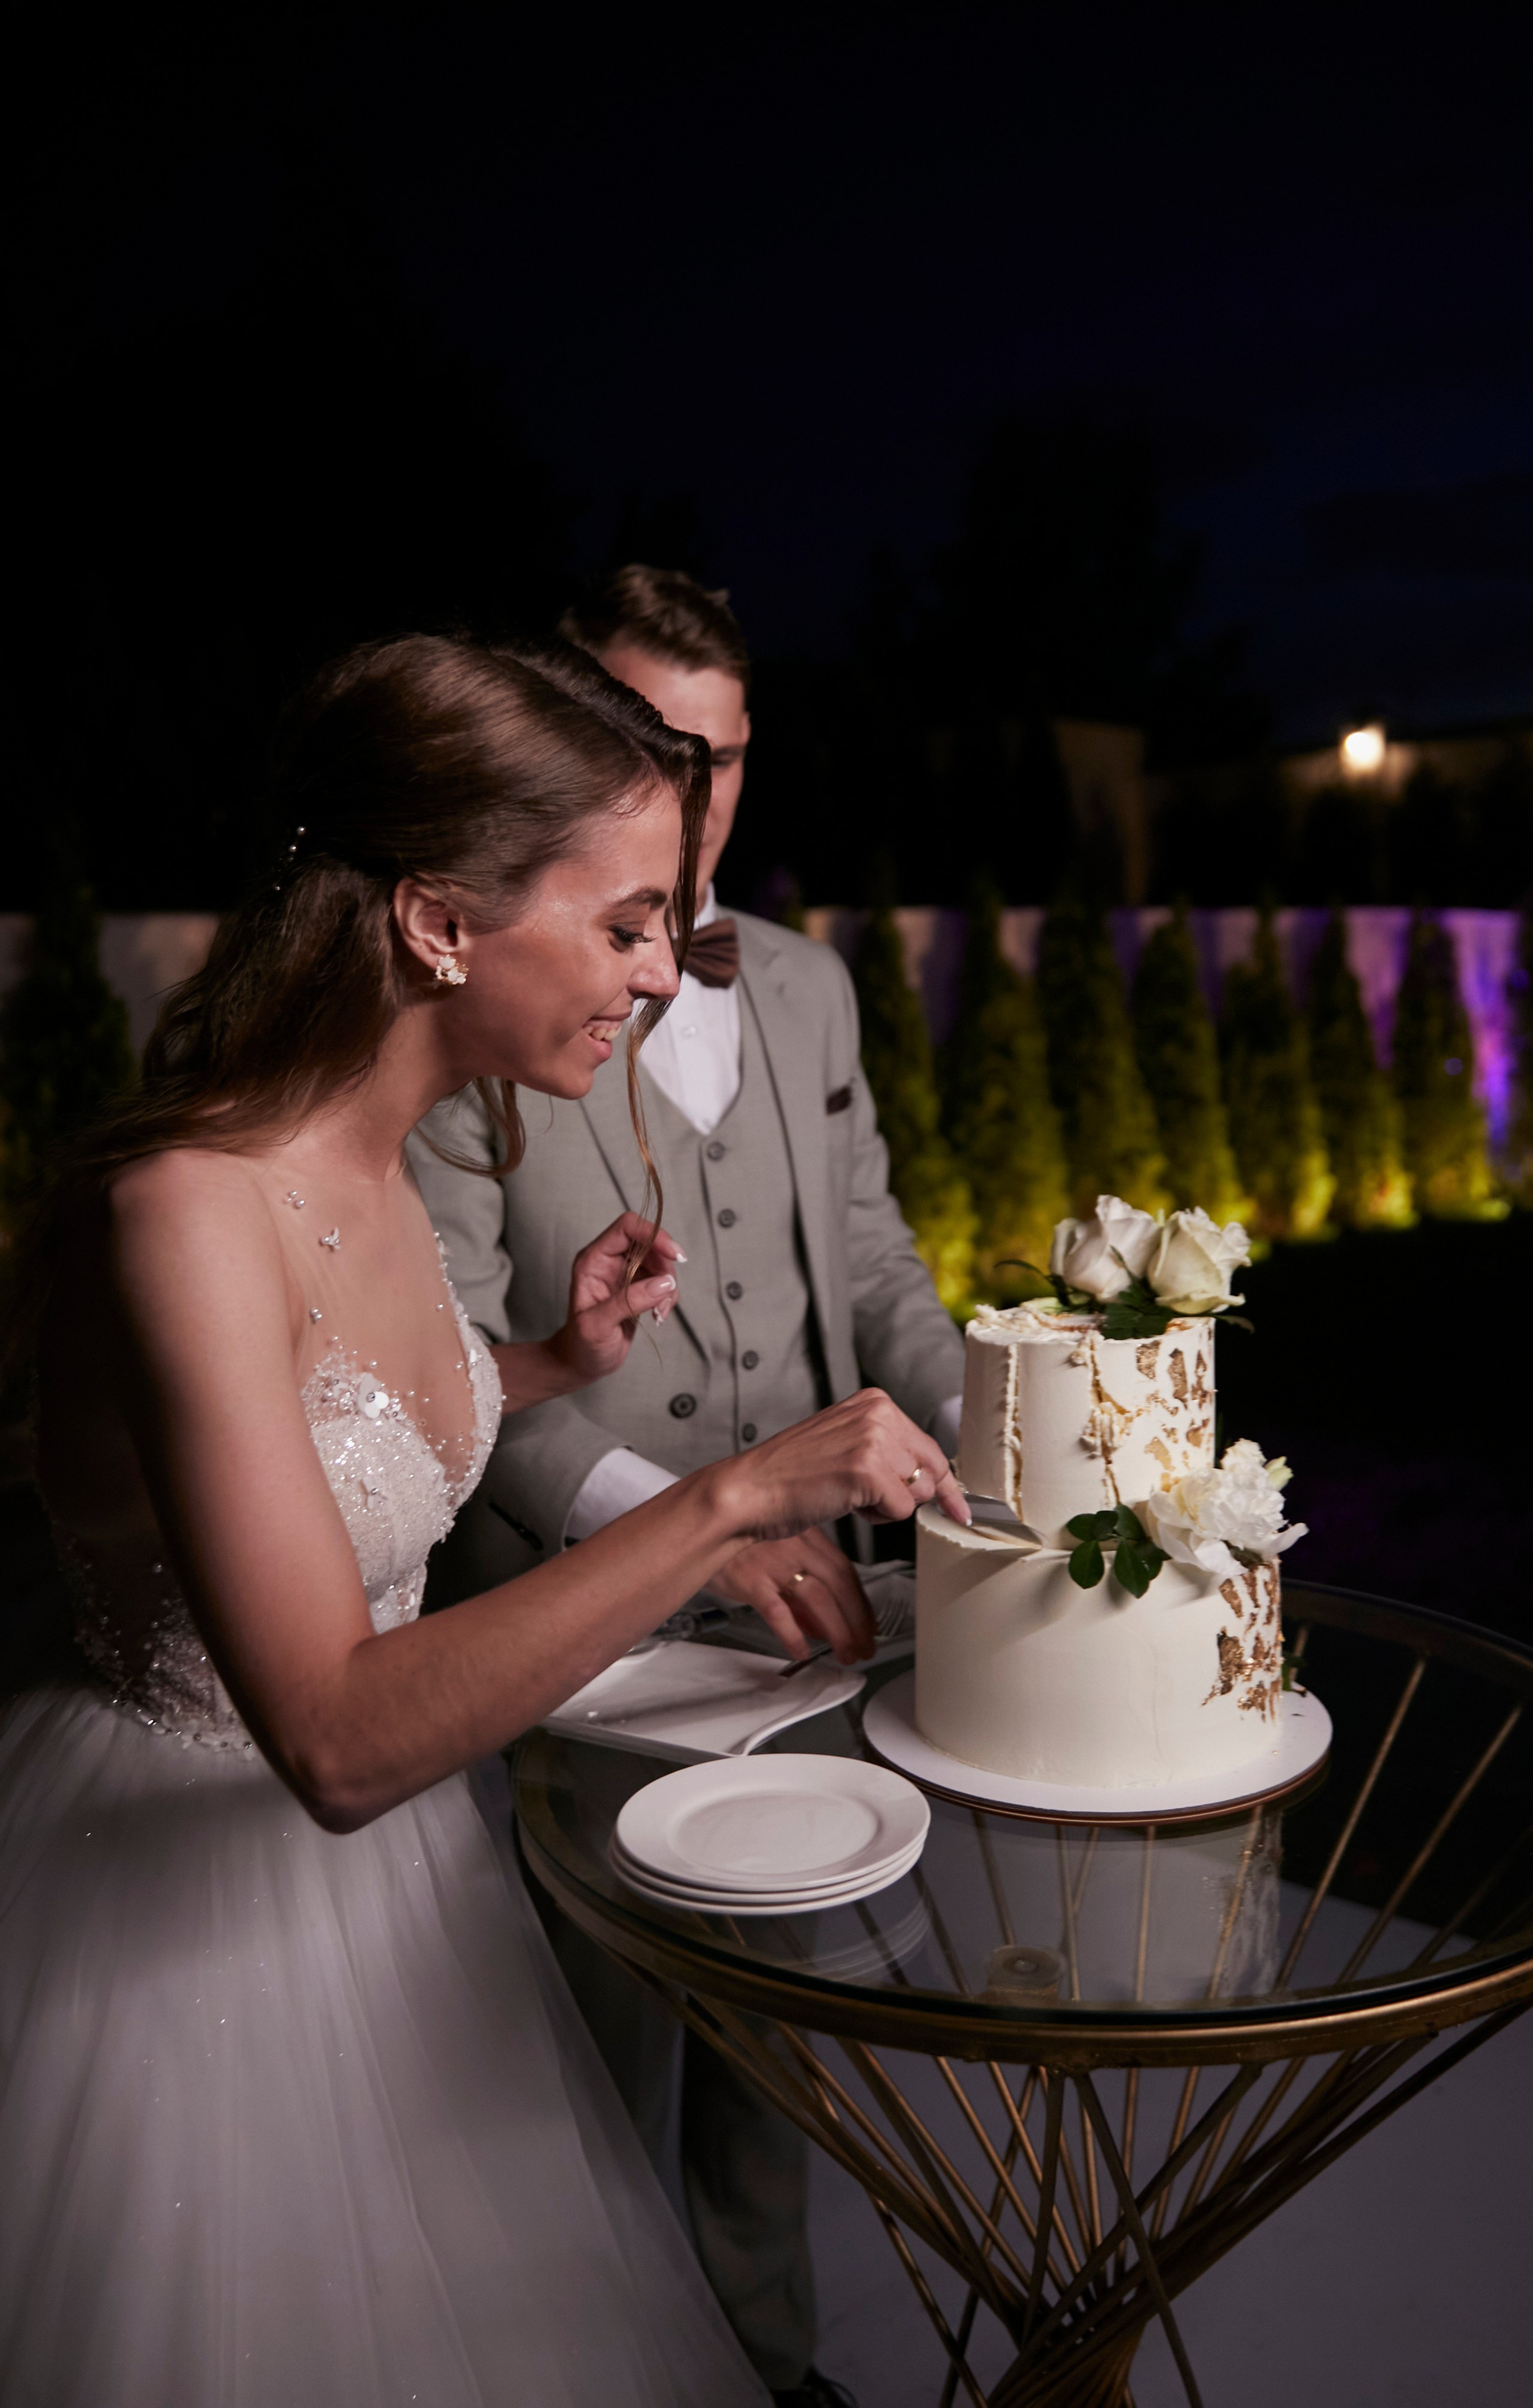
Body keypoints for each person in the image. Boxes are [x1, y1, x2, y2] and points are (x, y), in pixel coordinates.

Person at [0, 632, 967, 2408]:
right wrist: (735, 1495)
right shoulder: (186, 1214)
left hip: (409, 1909)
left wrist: (537, 1360)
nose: (665, 975)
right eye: (623, 926)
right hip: (188, 1946)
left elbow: (328, 1442)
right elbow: (341, 1736)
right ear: (442, 923)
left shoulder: (368, 1152)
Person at [410, 568, 965, 2404]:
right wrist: (681, 1529)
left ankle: (760, 2363)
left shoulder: (803, 986)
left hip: (821, 1599)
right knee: (568, 2047)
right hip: (572, 1621)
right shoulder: (483, 996)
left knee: (776, 2025)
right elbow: (445, 1356)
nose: (693, 800)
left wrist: (1005, 1425)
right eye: (651, 754)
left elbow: (873, 1267)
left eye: (712, 759)